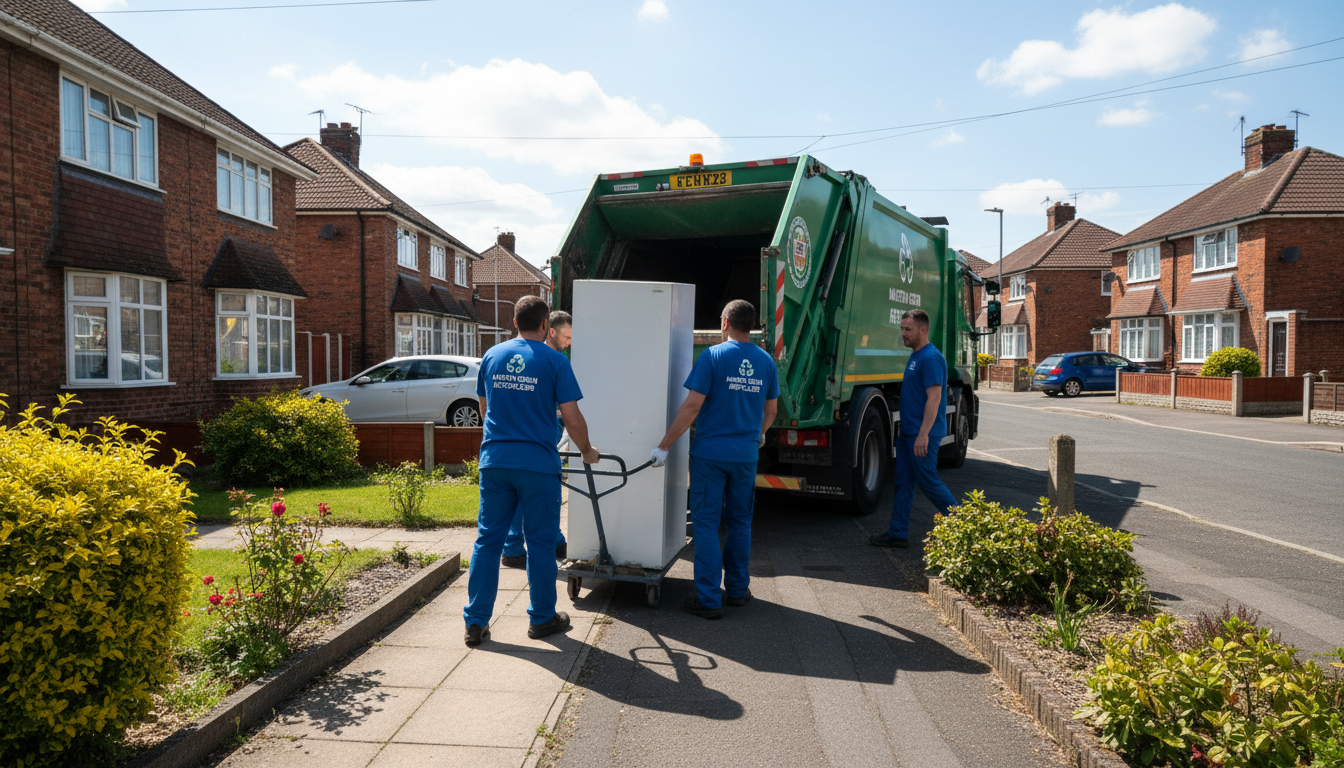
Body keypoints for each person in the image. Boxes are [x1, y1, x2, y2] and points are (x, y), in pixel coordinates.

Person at [463, 297, 600, 647]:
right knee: (540, 543)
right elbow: (571, 416)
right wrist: (587, 451)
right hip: (537, 465)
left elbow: (484, 407)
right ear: (545, 326)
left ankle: (475, 623)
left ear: (513, 321)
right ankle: (541, 619)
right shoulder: (555, 361)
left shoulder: (492, 356)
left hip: (495, 460)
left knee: (488, 540)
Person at [650, 299, 778, 619]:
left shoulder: (713, 356)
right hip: (745, 455)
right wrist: (759, 434)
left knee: (706, 524)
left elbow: (692, 406)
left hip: (710, 455)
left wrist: (664, 445)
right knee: (740, 522)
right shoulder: (765, 361)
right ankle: (736, 590)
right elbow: (772, 410)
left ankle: (708, 599)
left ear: (724, 323)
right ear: (752, 326)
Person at [869, 309, 959, 549]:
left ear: (922, 330)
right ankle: (898, 533)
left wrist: (923, 435)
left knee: (928, 481)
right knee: (903, 482)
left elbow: (935, 398)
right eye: (902, 329)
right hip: (909, 433)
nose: (903, 334)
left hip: (923, 435)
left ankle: (963, 525)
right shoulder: (917, 355)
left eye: (907, 329)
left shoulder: (931, 358)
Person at [502, 310, 572, 568]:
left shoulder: (551, 358)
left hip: (535, 434)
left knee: (539, 492)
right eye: (566, 336)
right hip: (535, 438)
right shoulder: (547, 359)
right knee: (531, 493)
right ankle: (518, 546)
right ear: (549, 330)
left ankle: (549, 540)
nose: (569, 342)